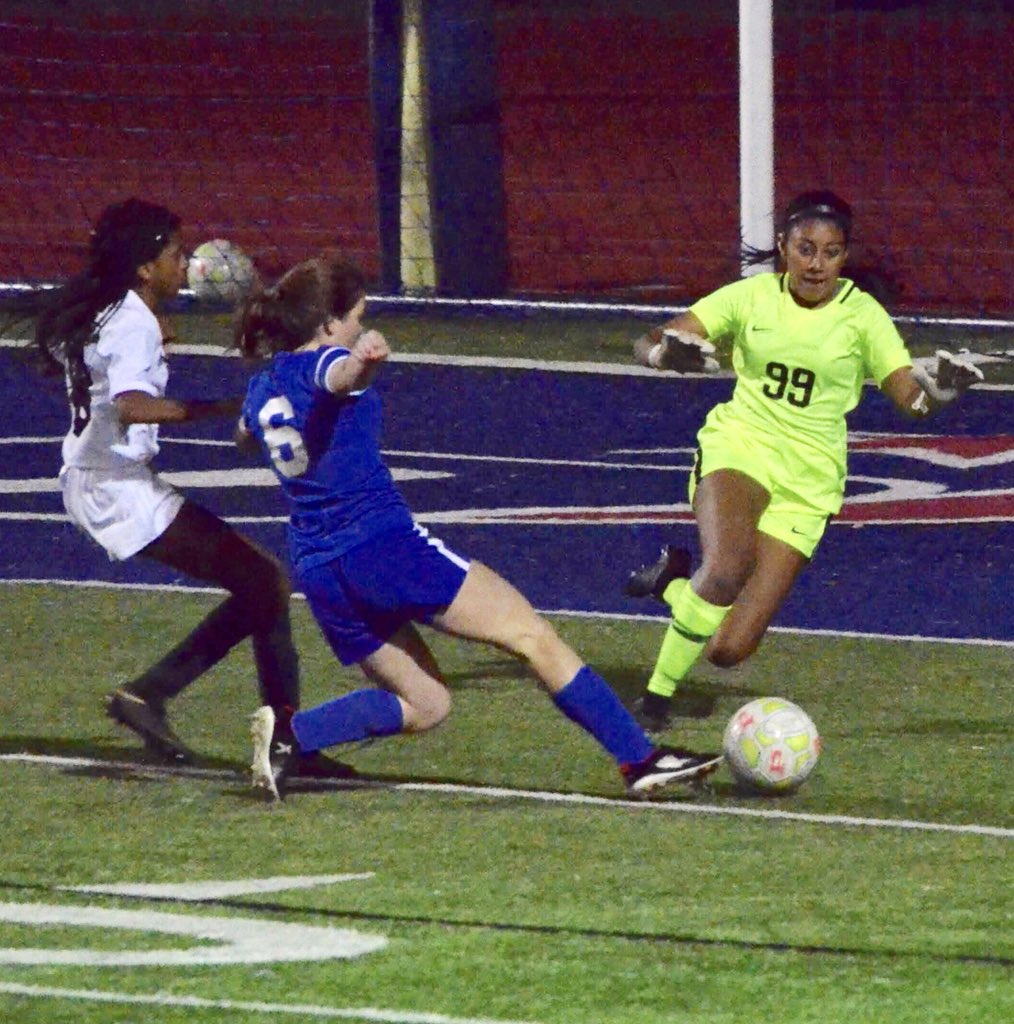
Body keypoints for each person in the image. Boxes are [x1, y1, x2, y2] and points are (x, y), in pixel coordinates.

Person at [232, 254, 722, 801]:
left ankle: (291, 735)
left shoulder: (261, 388)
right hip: (384, 549)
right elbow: (337, 375)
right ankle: (641, 759)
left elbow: (246, 437)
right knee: (532, 636)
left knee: (426, 703)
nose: (359, 328)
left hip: (322, 571)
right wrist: (364, 362)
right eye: (356, 318)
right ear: (327, 326)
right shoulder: (326, 363)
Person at [623, 189, 983, 732]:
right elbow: (649, 339)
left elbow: (910, 398)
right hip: (741, 446)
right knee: (726, 569)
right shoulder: (750, 297)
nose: (817, 264)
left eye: (832, 252)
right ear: (784, 247)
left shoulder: (862, 315)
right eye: (806, 249)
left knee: (728, 648)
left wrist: (940, 390)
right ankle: (654, 701)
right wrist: (664, 352)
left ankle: (672, 582)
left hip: (810, 481)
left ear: (845, 256)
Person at [33, 197, 348, 779]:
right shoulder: (130, 321)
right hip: (115, 488)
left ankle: (167, 700)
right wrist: (229, 407)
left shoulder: (112, 312)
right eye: (177, 254)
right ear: (146, 266)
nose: (187, 263)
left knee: (261, 585)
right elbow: (131, 407)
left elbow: (81, 366)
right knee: (264, 581)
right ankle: (280, 742)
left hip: (99, 479)